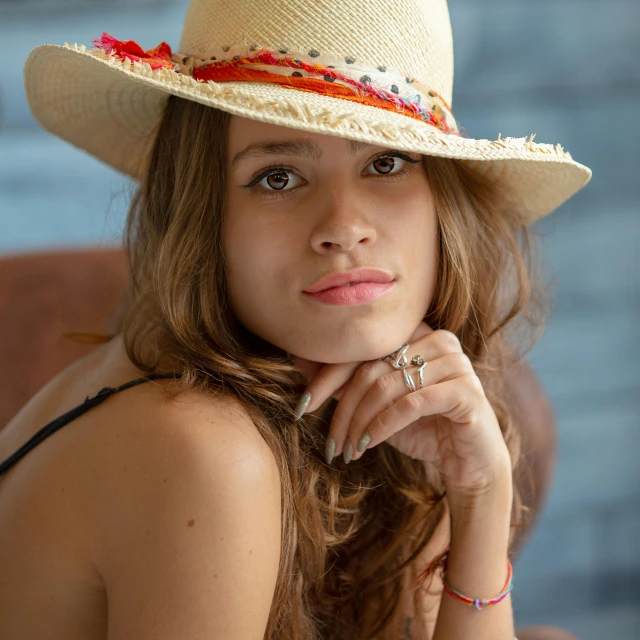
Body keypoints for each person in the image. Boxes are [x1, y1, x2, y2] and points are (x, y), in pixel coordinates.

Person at [1, 0, 591, 638]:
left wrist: (480, 492)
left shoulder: (384, 398)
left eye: (386, 162)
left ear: (442, 204)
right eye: (278, 176)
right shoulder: (204, 452)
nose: (343, 227)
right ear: (204, 216)